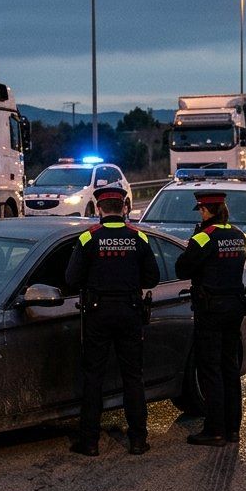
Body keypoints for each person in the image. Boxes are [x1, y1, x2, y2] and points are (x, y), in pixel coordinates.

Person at [65, 185, 160, 456]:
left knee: (93, 377)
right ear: (124, 207)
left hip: (97, 313)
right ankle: (138, 440)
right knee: (133, 376)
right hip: (130, 311)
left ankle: (90, 442)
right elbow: (152, 278)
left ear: (99, 209)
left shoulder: (87, 238)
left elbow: (71, 279)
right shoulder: (138, 237)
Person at [174, 190, 246, 445]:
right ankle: (233, 428)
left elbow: (182, 268)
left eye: (202, 210)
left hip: (211, 310)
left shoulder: (204, 238)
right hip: (235, 307)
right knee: (230, 368)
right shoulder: (238, 235)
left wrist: (195, 240)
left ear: (206, 210)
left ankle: (215, 429)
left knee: (210, 369)